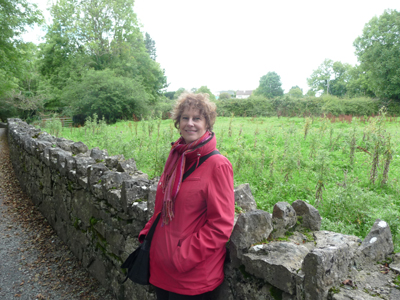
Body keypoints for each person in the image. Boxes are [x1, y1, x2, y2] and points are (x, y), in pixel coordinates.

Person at [139, 93, 235, 300]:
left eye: (197, 118)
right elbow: (161, 208)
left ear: (207, 124)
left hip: (193, 279)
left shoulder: (217, 165)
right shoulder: (176, 157)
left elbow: (221, 226)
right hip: (161, 271)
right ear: (178, 122)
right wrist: (148, 235)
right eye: (185, 118)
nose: (190, 124)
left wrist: (182, 256)